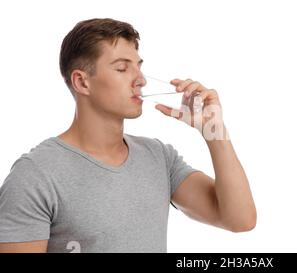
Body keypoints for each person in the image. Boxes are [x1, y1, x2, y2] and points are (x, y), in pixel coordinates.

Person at [0, 18, 256, 253]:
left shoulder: (159, 157)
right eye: (123, 68)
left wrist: (215, 132)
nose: (141, 80)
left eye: (139, 66)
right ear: (82, 82)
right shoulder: (35, 175)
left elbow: (239, 219)